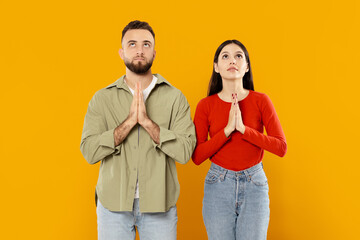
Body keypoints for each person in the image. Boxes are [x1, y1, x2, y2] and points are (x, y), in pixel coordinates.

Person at [80, 20, 196, 240]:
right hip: (113, 205)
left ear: (154, 52)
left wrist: (148, 123)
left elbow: (185, 152)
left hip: (160, 205)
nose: (140, 50)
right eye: (132, 44)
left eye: (146, 44)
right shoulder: (102, 98)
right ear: (122, 52)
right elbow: (89, 151)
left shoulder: (175, 98)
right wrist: (128, 123)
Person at [192, 40, 287, 240]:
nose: (232, 60)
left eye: (238, 56)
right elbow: (197, 156)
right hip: (218, 184)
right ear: (216, 67)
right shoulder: (205, 105)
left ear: (246, 67)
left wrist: (244, 130)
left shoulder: (261, 100)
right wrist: (227, 131)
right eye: (225, 56)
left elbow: (281, 147)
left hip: (255, 184)